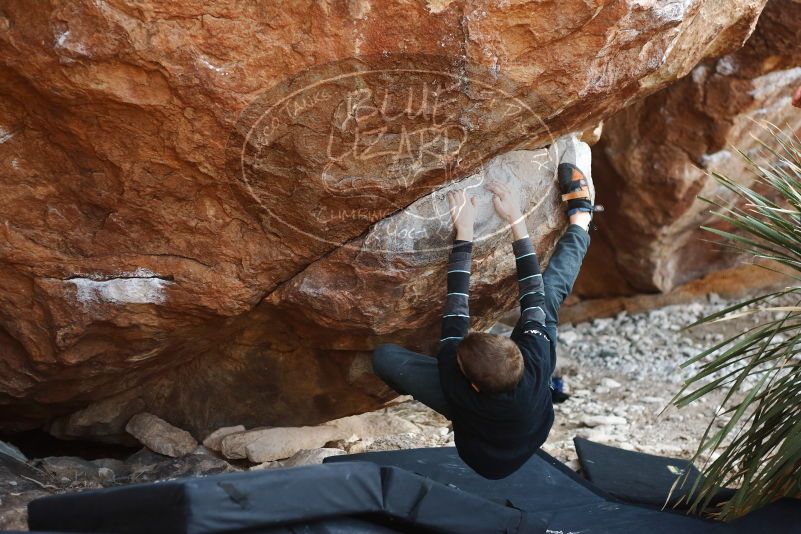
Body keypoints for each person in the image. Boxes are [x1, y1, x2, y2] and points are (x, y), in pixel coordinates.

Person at [372, 140, 597, 479]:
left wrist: (464, 232)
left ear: (472, 385)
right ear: (518, 354)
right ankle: (581, 220)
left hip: (478, 454)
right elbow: (532, 291)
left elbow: (457, 304)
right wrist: (516, 221)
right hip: (531, 427)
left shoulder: (455, 380)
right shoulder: (536, 356)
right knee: (548, 297)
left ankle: (580, 221)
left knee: (385, 358)